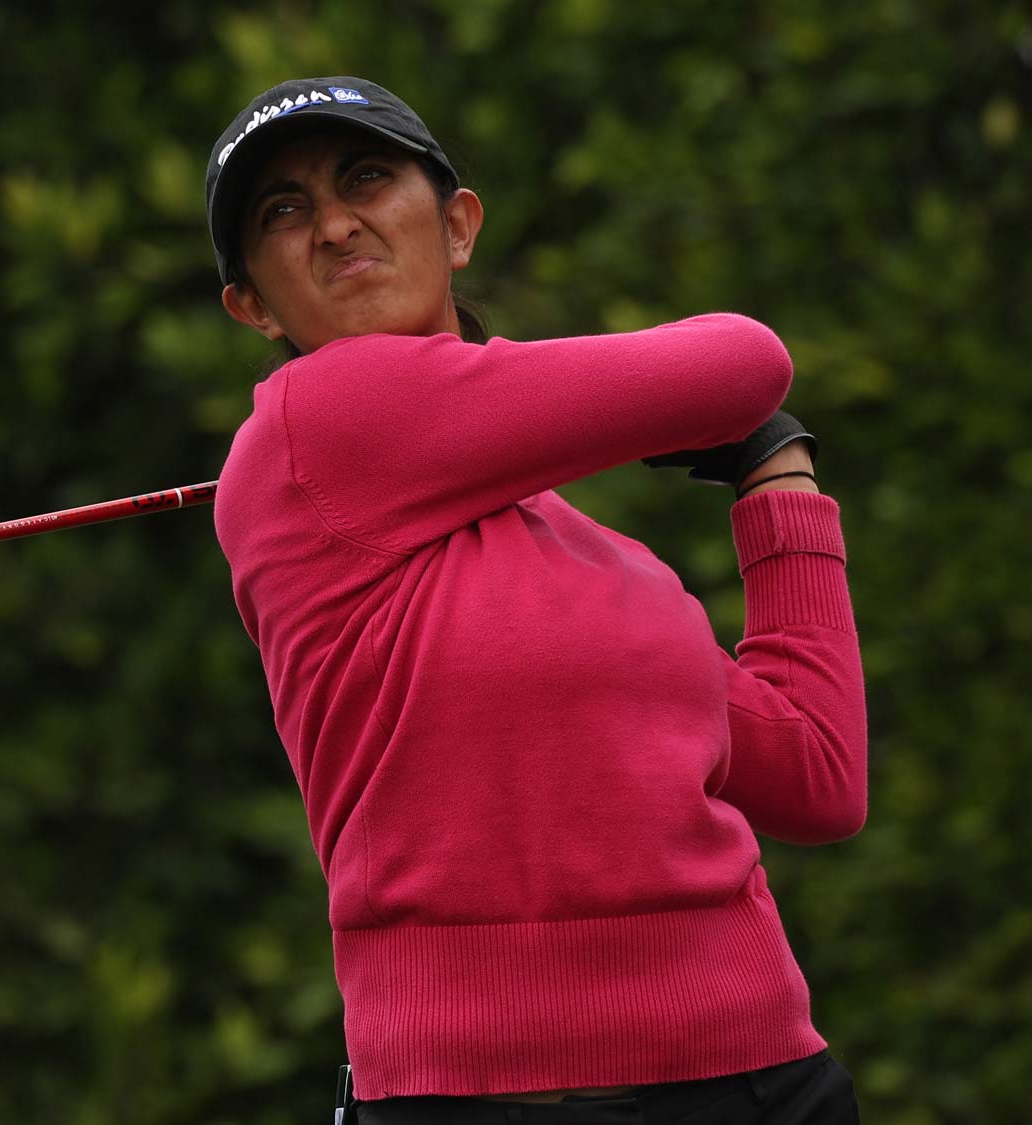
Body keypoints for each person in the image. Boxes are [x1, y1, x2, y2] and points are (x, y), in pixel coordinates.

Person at [203, 77, 867, 1122]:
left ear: (457, 225)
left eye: (365, 178)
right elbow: (745, 359)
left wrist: (775, 478)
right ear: (250, 303)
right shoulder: (312, 424)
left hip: (762, 1081)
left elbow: (817, 778)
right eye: (280, 213)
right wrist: (747, 416)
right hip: (497, 1100)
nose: (333, 225)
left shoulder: (608, 564)